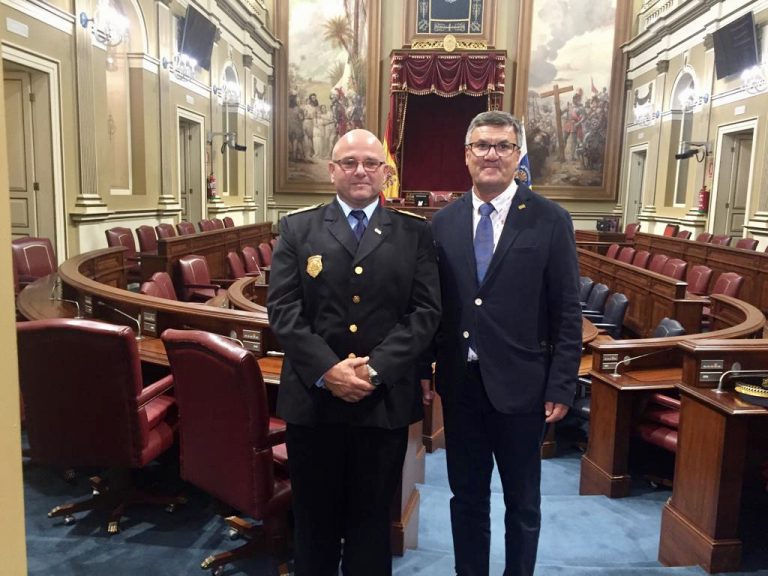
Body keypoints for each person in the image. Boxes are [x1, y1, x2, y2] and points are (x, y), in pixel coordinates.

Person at [267, 129, 441, 576]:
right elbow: (283, 310)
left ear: (386, 172)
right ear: (331, 171)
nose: (360, 170)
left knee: (371, 523)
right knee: (313, 522)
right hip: (314, 401)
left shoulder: (414, 233)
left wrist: (374, 371)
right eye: (349, 162)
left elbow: (424, 313)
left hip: (381, 405)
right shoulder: (297, 228)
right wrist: (329, 370)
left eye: (370, 162)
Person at [428, 111, 582, 576]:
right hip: (461, 387)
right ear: (467, 155)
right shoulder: (442, 222)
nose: (491, 154)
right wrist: (423, 374)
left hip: (524, 388)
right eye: (482, 145)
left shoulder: (550, 219)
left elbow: (567, 310)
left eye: (502, 146)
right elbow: (432, 309)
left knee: (523, 504)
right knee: (467, 499)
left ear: (518, 156)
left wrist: (561, 385)